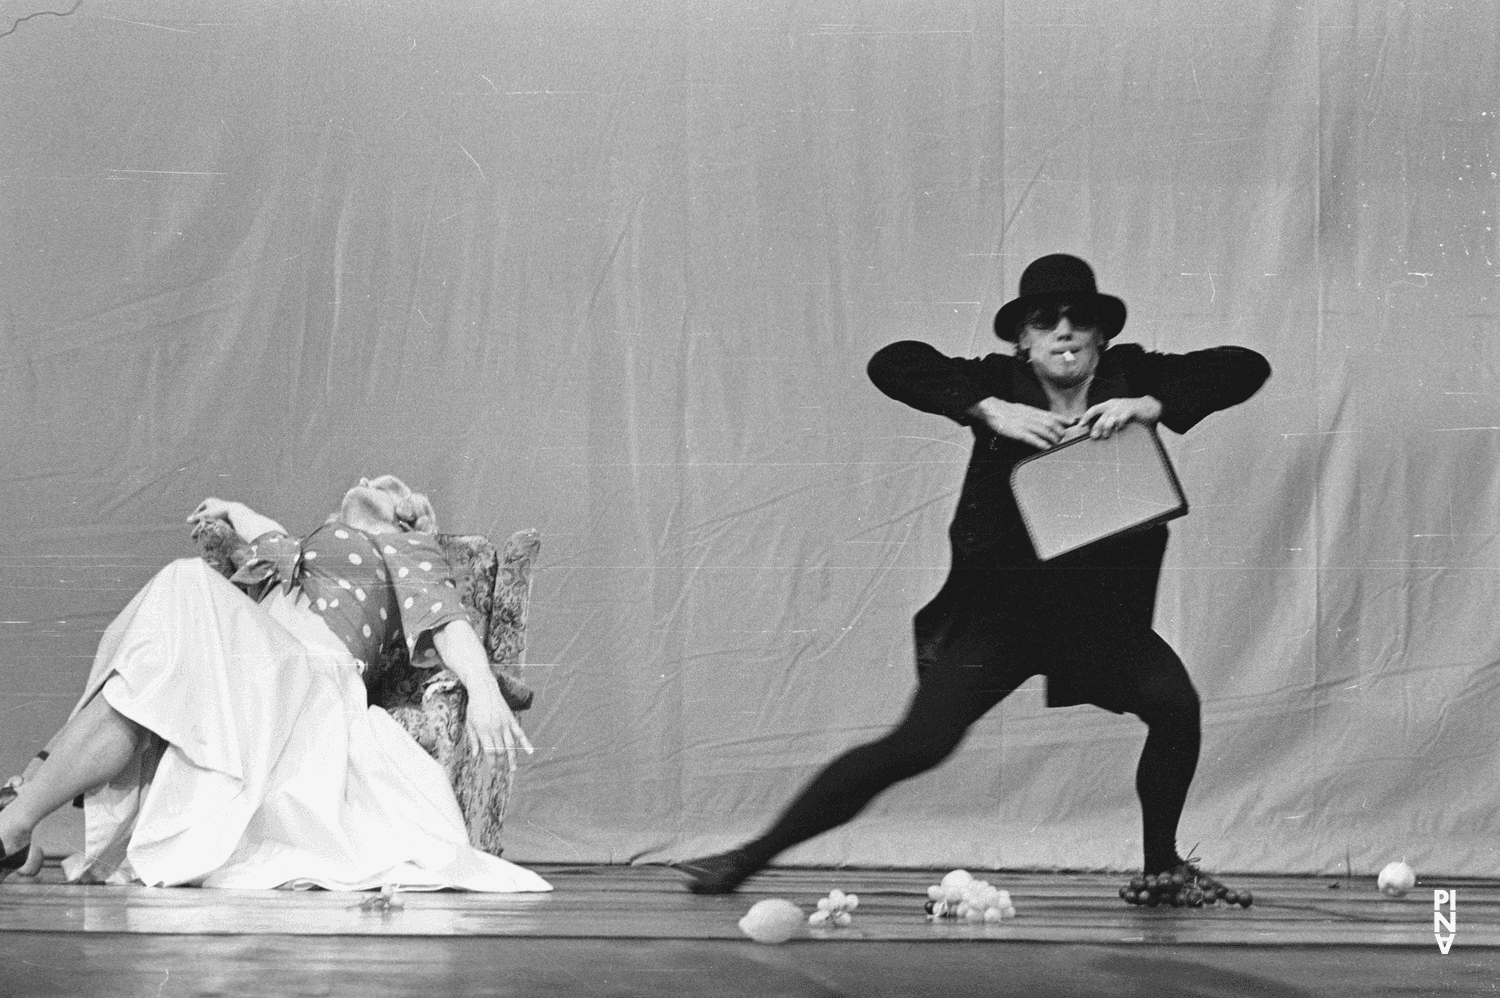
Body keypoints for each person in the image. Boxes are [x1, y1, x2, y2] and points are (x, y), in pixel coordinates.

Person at [678, 254, 1271, 900]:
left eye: (1080, 320)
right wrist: (989, 410)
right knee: (917, 744)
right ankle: (746, 858)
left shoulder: (1135, 376)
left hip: (1101, 622)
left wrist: (1149, 405)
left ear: (1102, 335)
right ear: (1024, 339)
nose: (1064, 331)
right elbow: (893, 362)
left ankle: (1162, 867)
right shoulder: (999, 383)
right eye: (1046, 321)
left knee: (1175, 706)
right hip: (1003, 615)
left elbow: (1245, 365)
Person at [0, 475, 551, 893]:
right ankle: (17, 824)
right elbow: (273, 538)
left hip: (310, 681)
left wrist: (481, 689)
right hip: (257, 670)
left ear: (409, 519)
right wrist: (233, 510)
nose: (370, 480)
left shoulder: (407, 551)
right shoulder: (312, 548)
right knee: (143, 677)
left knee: (183, 583)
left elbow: (446, 620)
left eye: (389, 486)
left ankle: (22, 801)